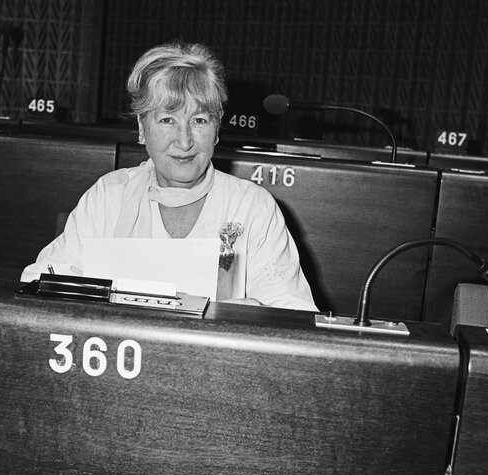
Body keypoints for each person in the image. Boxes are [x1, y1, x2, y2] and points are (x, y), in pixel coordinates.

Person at [21, 41, 317, 311]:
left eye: (199, 120)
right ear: (141, 127)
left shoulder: (253, 207)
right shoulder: (109, 196)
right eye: (167, 120)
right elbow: (40, 282)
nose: (184, 141)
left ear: (217, 129)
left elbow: (292, 314)